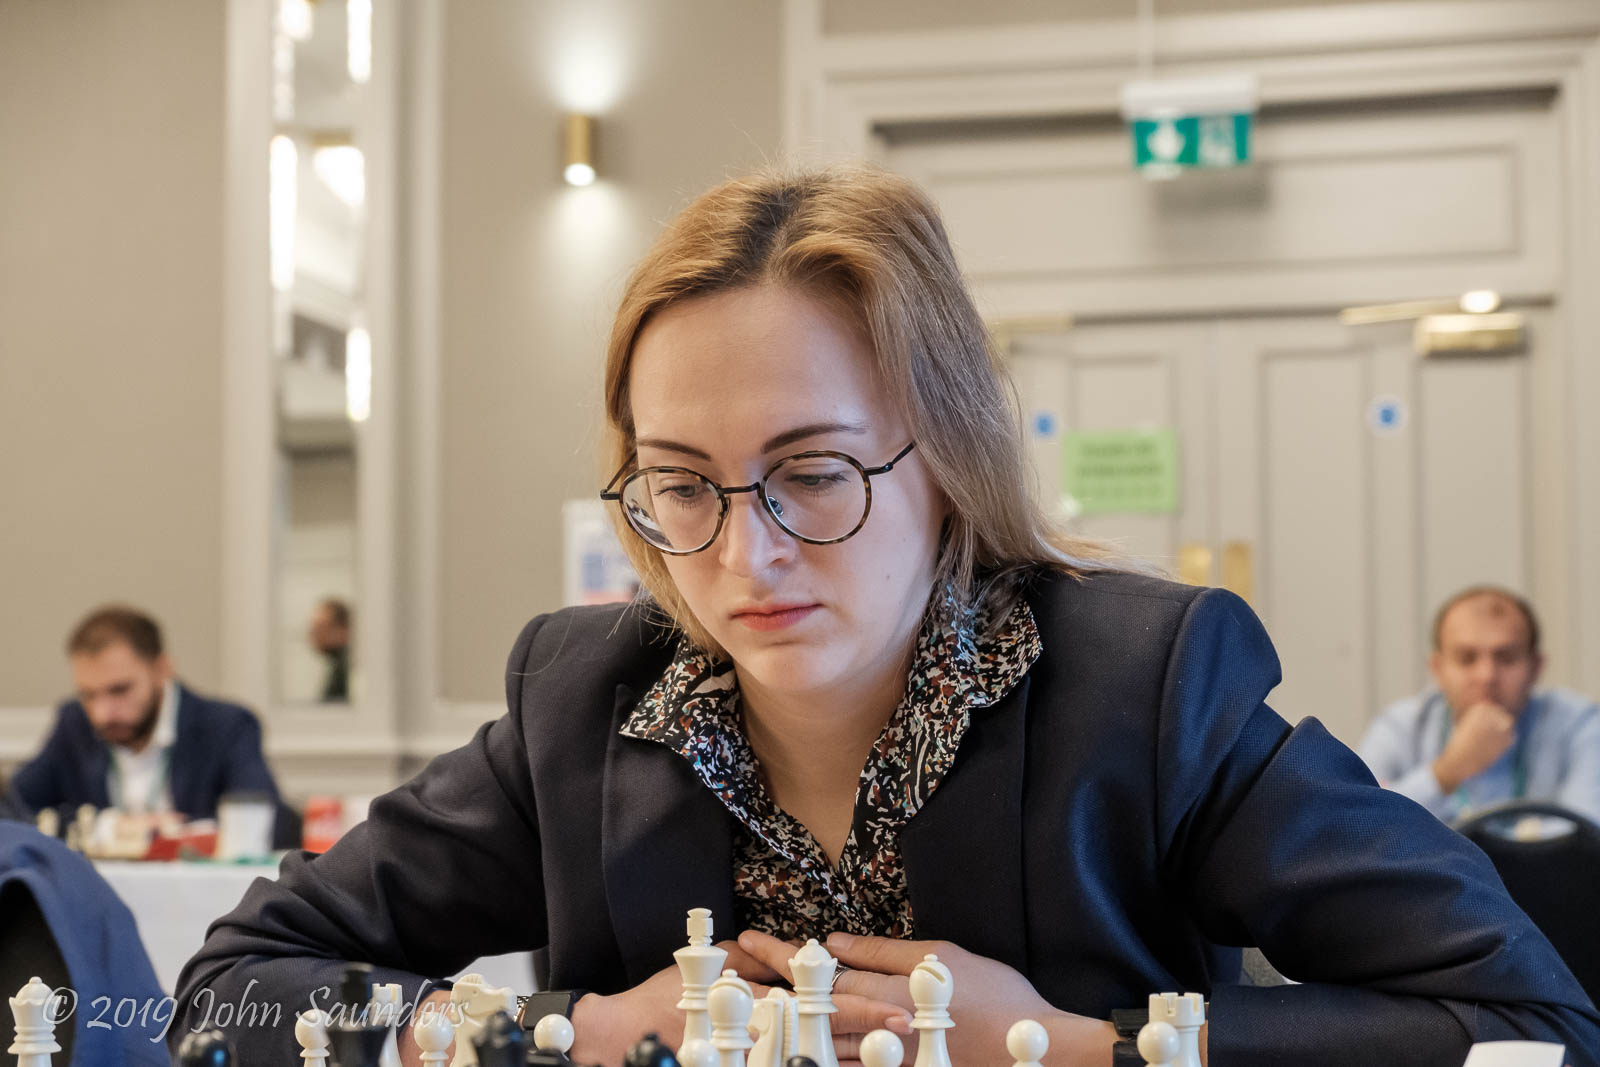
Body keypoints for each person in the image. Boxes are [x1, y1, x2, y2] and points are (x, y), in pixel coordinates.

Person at [172, 168, 1600, 1067]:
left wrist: (1066, 1046)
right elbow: (227, 990)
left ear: (948, 458)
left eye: (813, 472)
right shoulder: (583, 699)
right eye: (683, 484)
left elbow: (1529, 1018)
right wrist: (574, 1029)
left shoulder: (1145, 687)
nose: (745, 554)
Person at [7, 606, 290, 835]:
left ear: (162, 669)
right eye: (88, 695)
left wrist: (172, 832)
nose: (102, 714)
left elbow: (265, 823)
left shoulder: (226, 726)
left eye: (120, 690)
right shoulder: (74, 723)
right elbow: (12, 809)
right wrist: (107, 827)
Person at [1359, 586, 1600, 824]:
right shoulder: (1398, 726)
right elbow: (1358, 823)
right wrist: (1447, 772)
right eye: (1466, 659)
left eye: (1506, 658)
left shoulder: (1581, 724)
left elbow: (1589, 832)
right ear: (1438, 669)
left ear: (1536, 667)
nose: (1487, 676)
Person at [308, 597, 351, 702]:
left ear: (342, 629)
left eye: (320, 628)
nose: (314, 635)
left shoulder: (349, 669)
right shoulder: (338, 665)